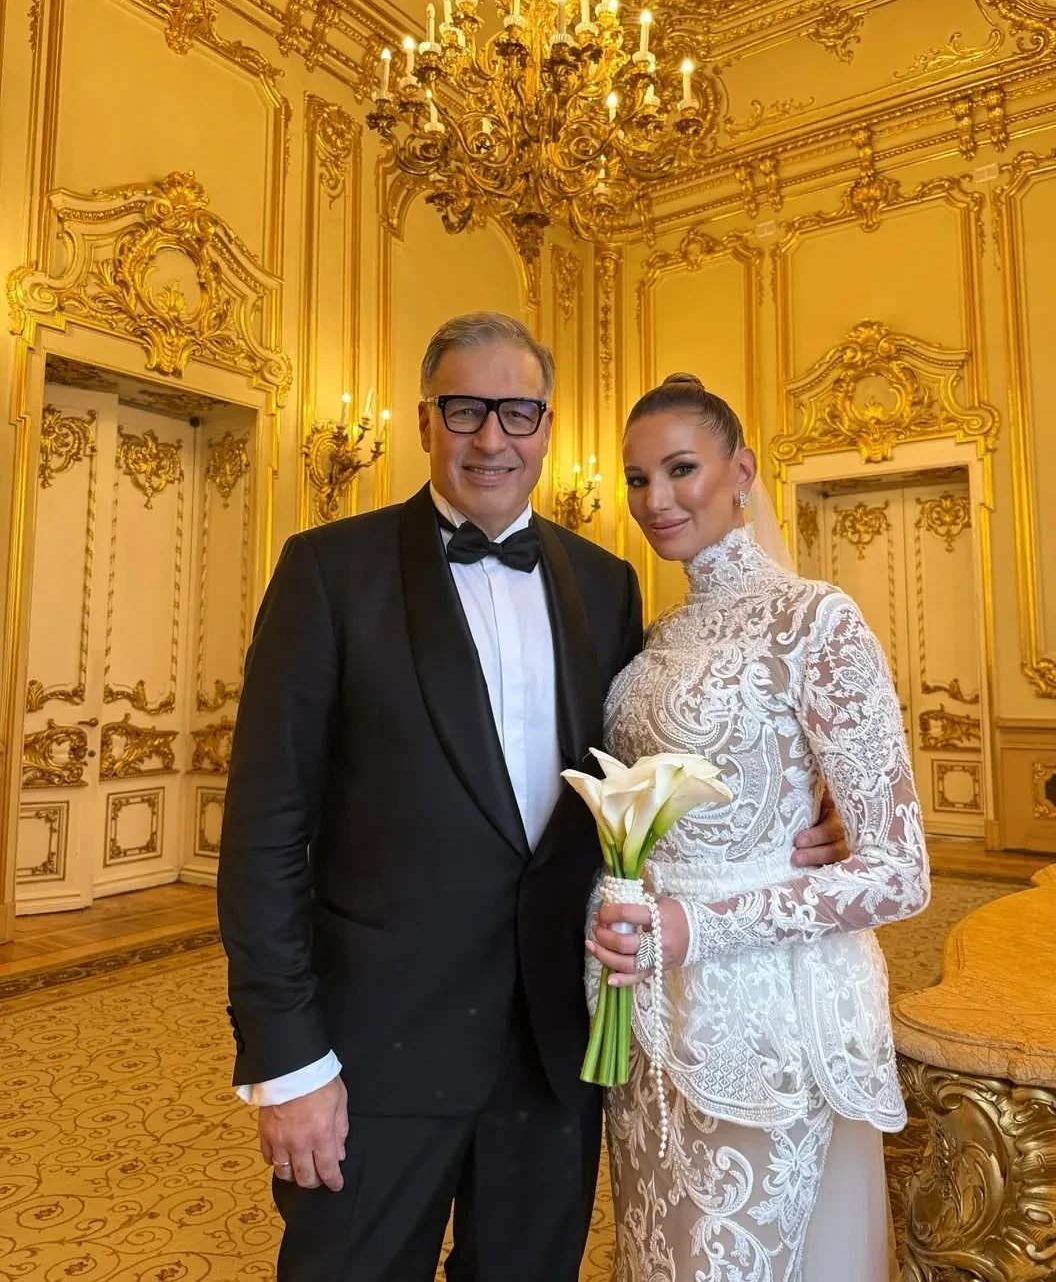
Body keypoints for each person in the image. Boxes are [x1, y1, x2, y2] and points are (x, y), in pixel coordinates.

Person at [217, 317, 848, 1282]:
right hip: (375, 1052)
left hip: (556, 1049)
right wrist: (288, 1062)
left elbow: (650, 768)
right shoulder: (328, 571)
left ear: (548, 428)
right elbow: (265, 833)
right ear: (424, 421)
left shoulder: (606, 584)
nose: (491, 437)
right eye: (464, 409)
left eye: (517, 412)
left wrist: (814, 803)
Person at [589, 374, 930, 1282]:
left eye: (681, 469)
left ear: (740, 471)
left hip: (765, 1010)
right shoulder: (656, 634)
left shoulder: (817, 620)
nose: (655, 500)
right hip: (643, 1002)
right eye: (636, 479)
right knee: (658, 1249)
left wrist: (698, 928)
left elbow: (900, 872)